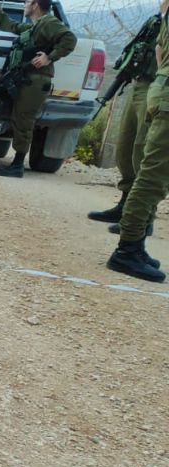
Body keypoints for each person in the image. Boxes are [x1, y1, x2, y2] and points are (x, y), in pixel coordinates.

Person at [0, 0, 76, 178]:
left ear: (36, 5)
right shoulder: (35, 26)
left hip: (36, 80)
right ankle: (9, 106)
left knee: (23, 120)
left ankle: (17, 165)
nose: (25, 5)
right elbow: (12, 26)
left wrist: (49, 57)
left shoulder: (49, 22)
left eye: (27, 2)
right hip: (22, 76)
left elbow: (69, 39)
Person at [106, 3, 169, 283]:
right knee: (153, 177)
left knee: (155, 174)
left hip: (162, 88)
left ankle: (137, 244)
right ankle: (127, 250)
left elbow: (159, 50)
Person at [88, 13, 162, 237]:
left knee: (142, 152)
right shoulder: (156, 20)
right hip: (138, 84)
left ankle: (142, 218)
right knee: (125, 150)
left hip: (155, 87)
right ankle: (125, 207)